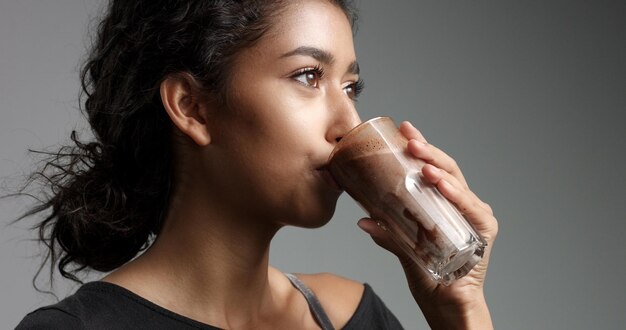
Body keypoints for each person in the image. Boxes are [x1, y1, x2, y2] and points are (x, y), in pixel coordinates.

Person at [15, 0, 499, 329]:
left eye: (351, 87)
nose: (348, 123)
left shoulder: (354, 316)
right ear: (193, 108)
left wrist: (462, 310)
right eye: (308, 76)